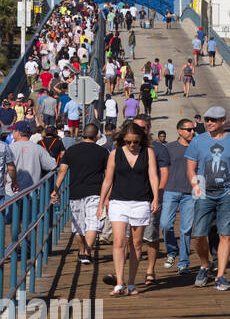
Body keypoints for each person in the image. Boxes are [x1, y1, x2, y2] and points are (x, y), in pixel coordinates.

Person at [186, 105, 230, 291]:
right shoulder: (197, 142)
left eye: (213, 120)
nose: (209, 123)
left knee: (226, 235)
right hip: (204, 193)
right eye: (207, 120)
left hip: (227, 194)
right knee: (198, 235)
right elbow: (190, 167)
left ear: (223, 121)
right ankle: (205, 264)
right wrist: (196, 186)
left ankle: (220, 276)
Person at [97, 121, 160, 296]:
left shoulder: (148, 152)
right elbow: (108, 179)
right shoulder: (115, 153)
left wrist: (155, 197)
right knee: (119, 242)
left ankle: (131, 283)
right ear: (123, 139)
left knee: (137, 244)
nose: (132, 145)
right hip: (118, 201)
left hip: (141, 201)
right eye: (129, 141)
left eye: (136, 142)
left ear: (142, 140)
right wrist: (102, 201)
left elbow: (153, 176)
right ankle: (119, 282)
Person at [52, 123, 109, 266]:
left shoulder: (71, 150)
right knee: (93, 224)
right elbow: (108, 176)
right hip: (95, 192)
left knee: (78, 225)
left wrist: (56, 189)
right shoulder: (103, 152)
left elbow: (62, 171)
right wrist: (108, 196)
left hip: (76, 192)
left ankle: (82, 250)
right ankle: (87, 253)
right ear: (96, 136)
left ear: (83, 134)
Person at [132, 114, 172, 285]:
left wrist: (159, 194)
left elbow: (164, 173)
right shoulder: (127, 146)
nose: (137, 131)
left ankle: (150, 269)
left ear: (148, 128)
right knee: (129, 238)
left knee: (151, 236)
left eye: (141, 128)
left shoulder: (159, 149)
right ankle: (130, 273)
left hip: (150, 198)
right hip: (129, 198)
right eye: (134, 127)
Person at [161, 117, 198, 274]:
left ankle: (183, 262)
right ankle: (171, 251)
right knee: (165, 225)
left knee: (186, 229)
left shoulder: (197, 147)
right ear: (180, 131)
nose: (192, 132)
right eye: (189, 129)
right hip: (171, 190)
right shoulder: (168, 148)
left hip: (190, 193)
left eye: (193, 129)